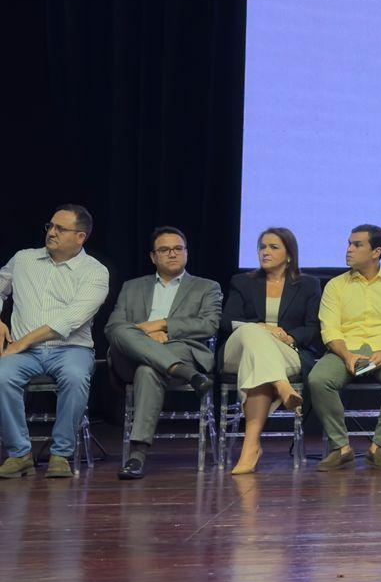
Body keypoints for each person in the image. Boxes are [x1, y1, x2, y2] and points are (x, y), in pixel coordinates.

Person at [0, 205, 110, 479]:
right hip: (26, 352)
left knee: (74, 377)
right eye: (50, 226)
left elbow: (69, 321)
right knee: (2, 376)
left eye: (60, 229)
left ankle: (61, 453)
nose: (52, 232)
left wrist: (20, 343)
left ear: (80, 237)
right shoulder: (23, 259)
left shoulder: (95, 272)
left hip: (70, 349)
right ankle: (19, 454)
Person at [105, 226, 223, 479]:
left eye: (178, 248)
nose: (172, 254)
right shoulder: (132, 287)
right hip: (131, 358)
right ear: (153, 257)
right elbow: (114, 327)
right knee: (120, 332)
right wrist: (144, 338)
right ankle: (187, 373)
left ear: (187, 253)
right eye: (165, 250)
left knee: (148, 370)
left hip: (179, 350)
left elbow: (209, 325)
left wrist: (162, 326)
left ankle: (136, 456)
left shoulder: (207, 287)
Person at [307, 225, 381, 472]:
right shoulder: (336, 285)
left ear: (376, 251)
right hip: (345, 348)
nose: (349, 249)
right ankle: (341, 448)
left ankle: (378, 447)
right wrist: (346, 354)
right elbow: (330, 328)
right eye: (349, 243)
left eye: (357, 245)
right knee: (318, 378)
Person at [220, 227, 322, 475]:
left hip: (285, 350)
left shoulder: (308, 284)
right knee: (252, 332)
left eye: (273, 247)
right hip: (239, 348)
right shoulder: (242, 281)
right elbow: (226, 322)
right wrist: (262, 328)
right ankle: (281, 384)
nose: (265, 252)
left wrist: (289, 335)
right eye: (262, 247)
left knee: (257, 367)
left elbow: (313, 328)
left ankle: (251, 446)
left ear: (289, 255)